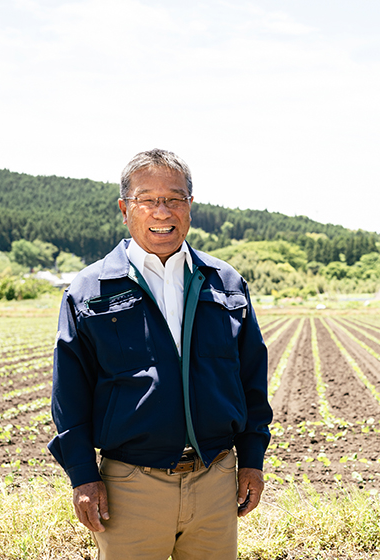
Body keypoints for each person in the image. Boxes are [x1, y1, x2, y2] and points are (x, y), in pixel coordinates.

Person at [48, 148, 272, 559]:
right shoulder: (90, 290)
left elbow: (252, 380)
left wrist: (252, 460)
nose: (161, 211)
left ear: (190, 206)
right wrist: (82, 476)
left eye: (173, 198)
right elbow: (69, 396)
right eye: (147, 199)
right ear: (124, 209)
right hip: (130, 485)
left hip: (215, 478)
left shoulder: (225, 283)